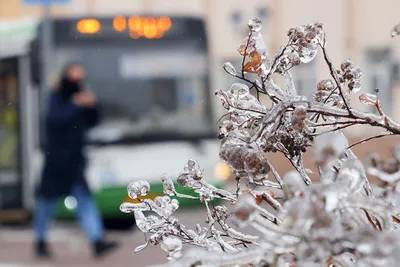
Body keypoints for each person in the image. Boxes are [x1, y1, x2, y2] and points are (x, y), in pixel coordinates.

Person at [33, 63, 118, 258]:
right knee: (47, 202)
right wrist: (75, 105)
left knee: (85, 200)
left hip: (74, 160)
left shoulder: (81, 95)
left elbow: (93, 121)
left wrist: (92, 105)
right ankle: (40, 240)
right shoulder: (58, 97)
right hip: (55, 161)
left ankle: (97, 241)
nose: (78, 78)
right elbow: (55, 120)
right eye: (74, 74)